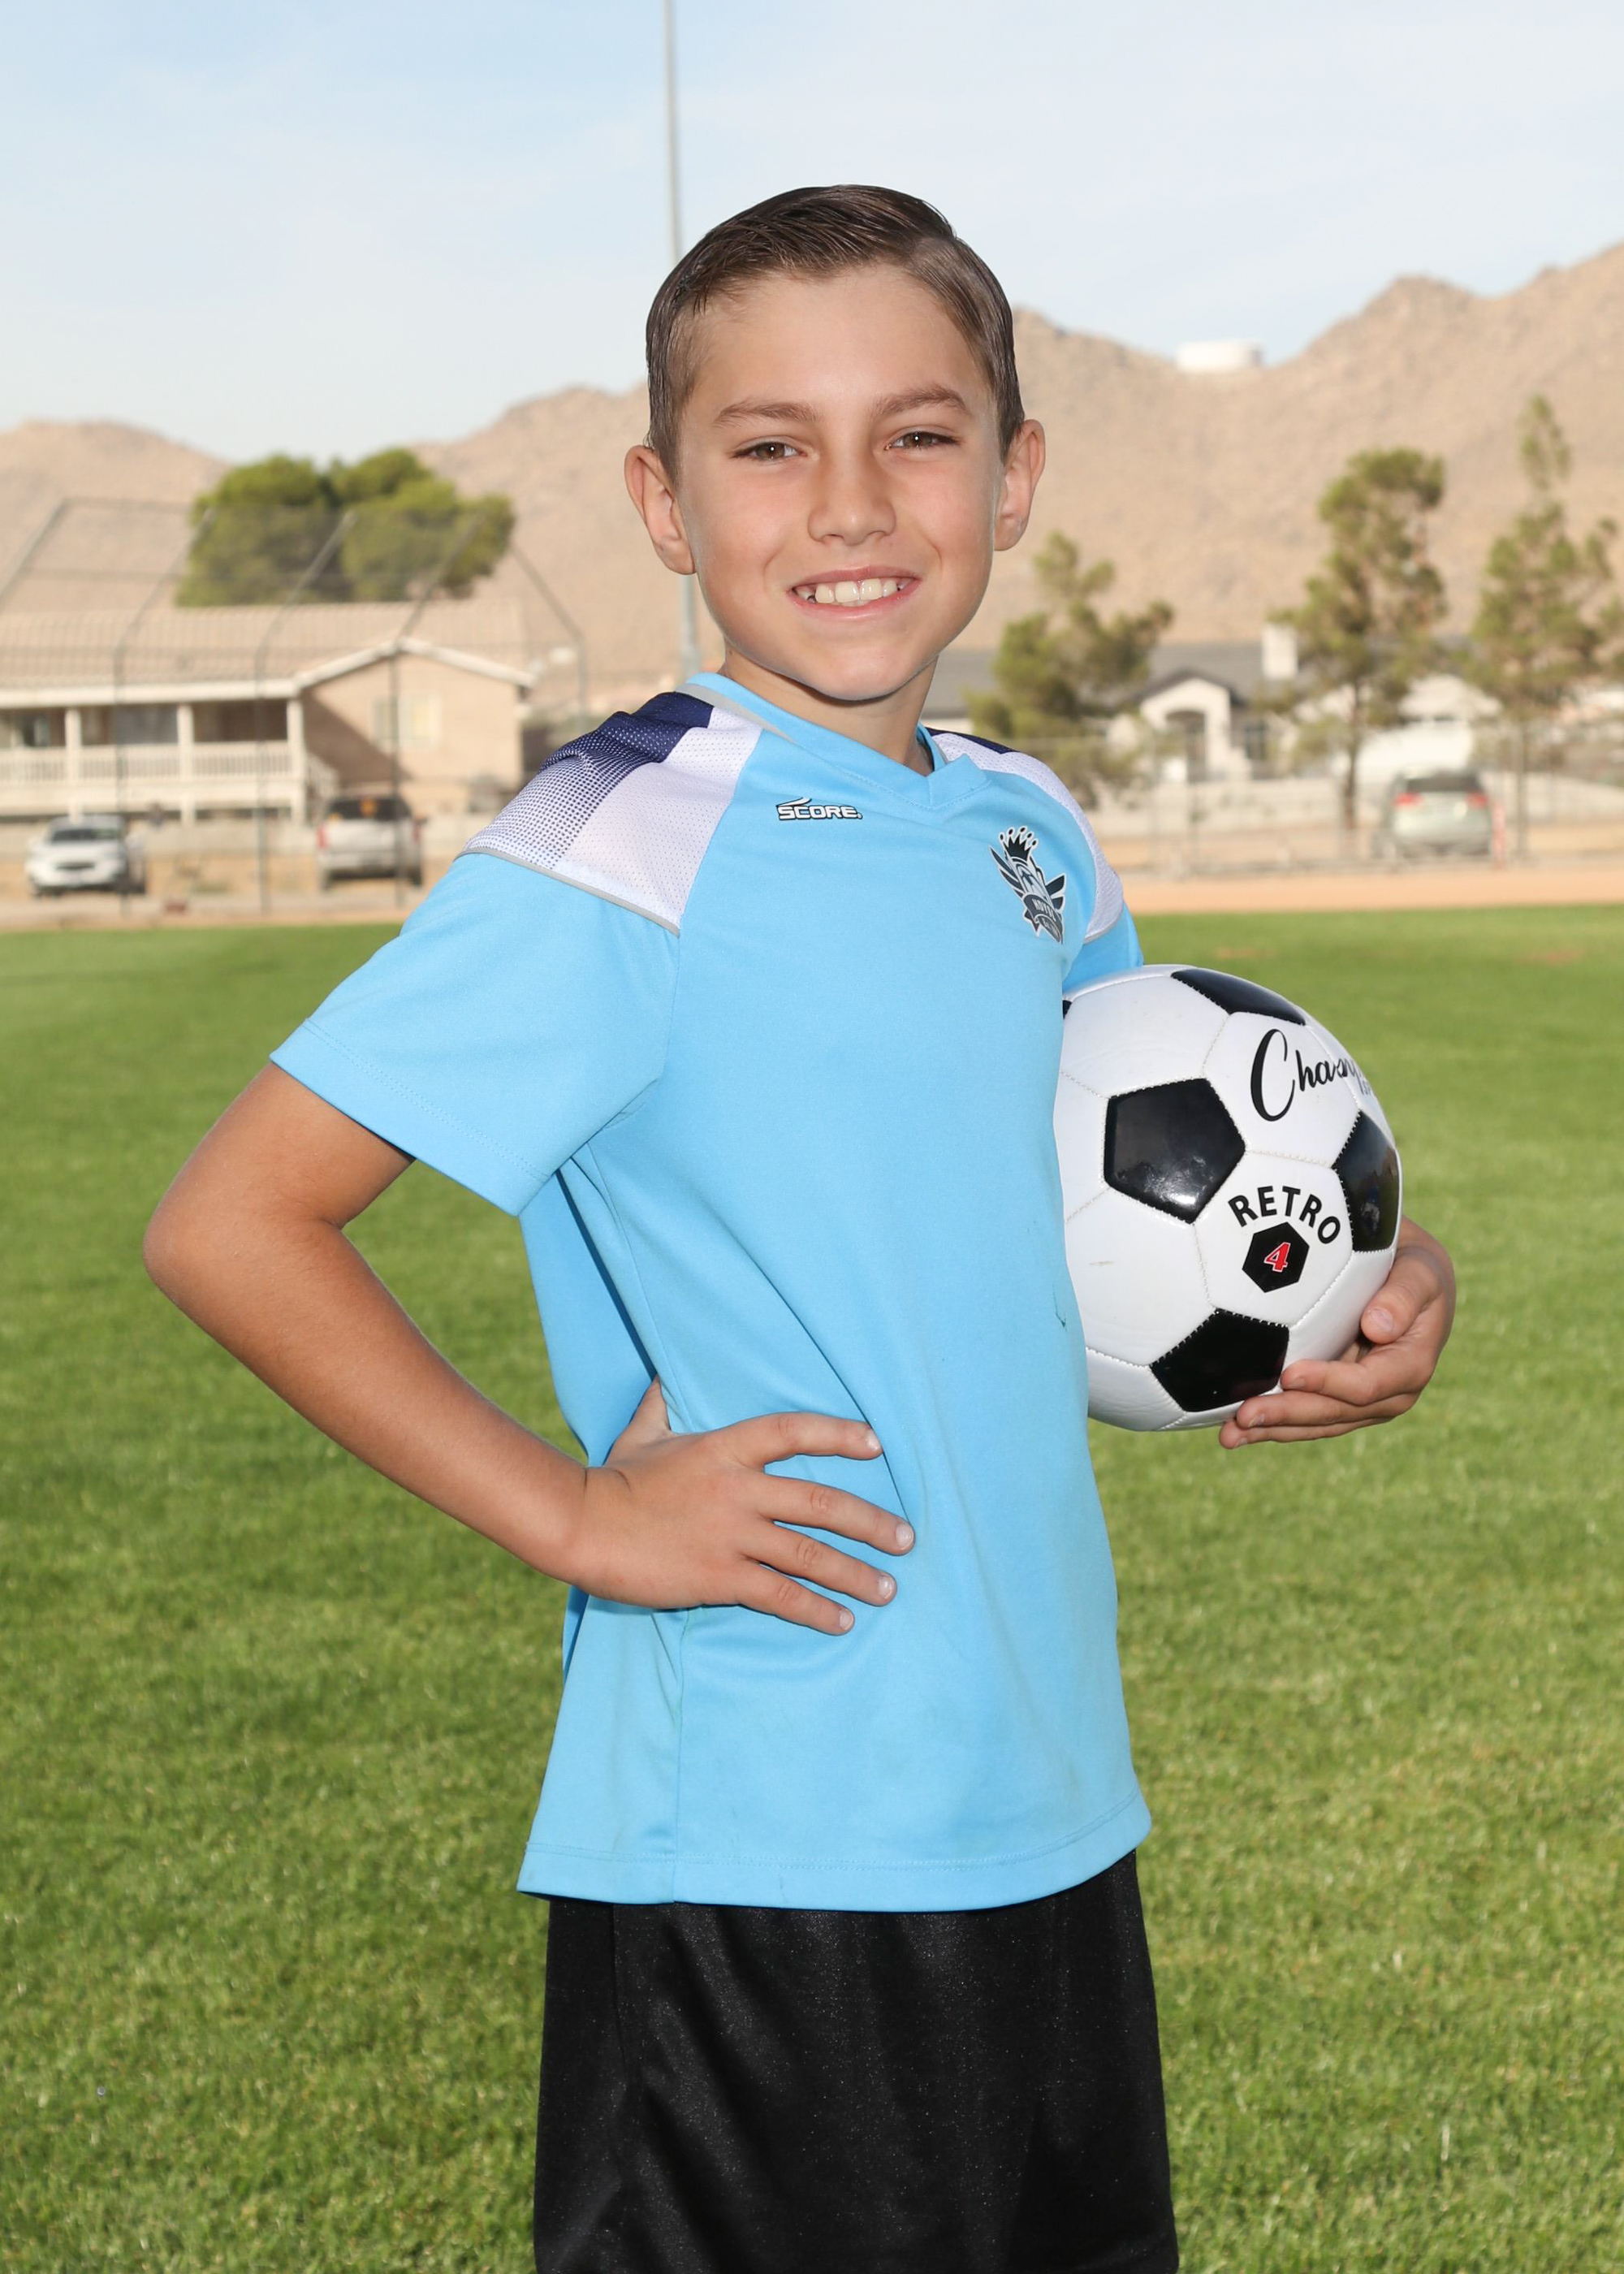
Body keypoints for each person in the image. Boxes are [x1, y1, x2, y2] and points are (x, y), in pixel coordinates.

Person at [144, 185, 1458, 2274]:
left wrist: (1356, 1282)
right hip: (766, 1822)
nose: (849, 501)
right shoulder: (622, 835)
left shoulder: (1024, 824)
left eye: (917, 434)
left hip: (1039, 1795)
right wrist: (578, 1517)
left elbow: (1108, 1199)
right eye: (770, 445)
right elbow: (234, 1220)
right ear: (665, 504)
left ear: (1011, 477)